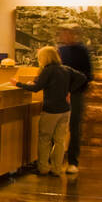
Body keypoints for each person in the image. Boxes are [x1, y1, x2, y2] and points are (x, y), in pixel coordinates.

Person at [17, 46, 85, 177]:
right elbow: (82, 78)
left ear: (44, 58)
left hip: (50, 110)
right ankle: (56, 169)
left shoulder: (48, 71)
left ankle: (43, 168)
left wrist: (18, 84)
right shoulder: (66, 69)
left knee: (45, 139)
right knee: (60, 140)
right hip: (65, 110)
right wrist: (70, 90)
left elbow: (36, 88)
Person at [57, 24, 93, 174]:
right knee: (57, 127)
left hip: (76, 94)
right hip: (59, 93)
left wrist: (73, 90)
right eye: (63, 34)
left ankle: (73, 161)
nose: (65, 36)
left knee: (74, 127)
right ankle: (56, 161)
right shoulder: (60, 50)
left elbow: (87, 75)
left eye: (68, 33)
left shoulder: (82, 51)